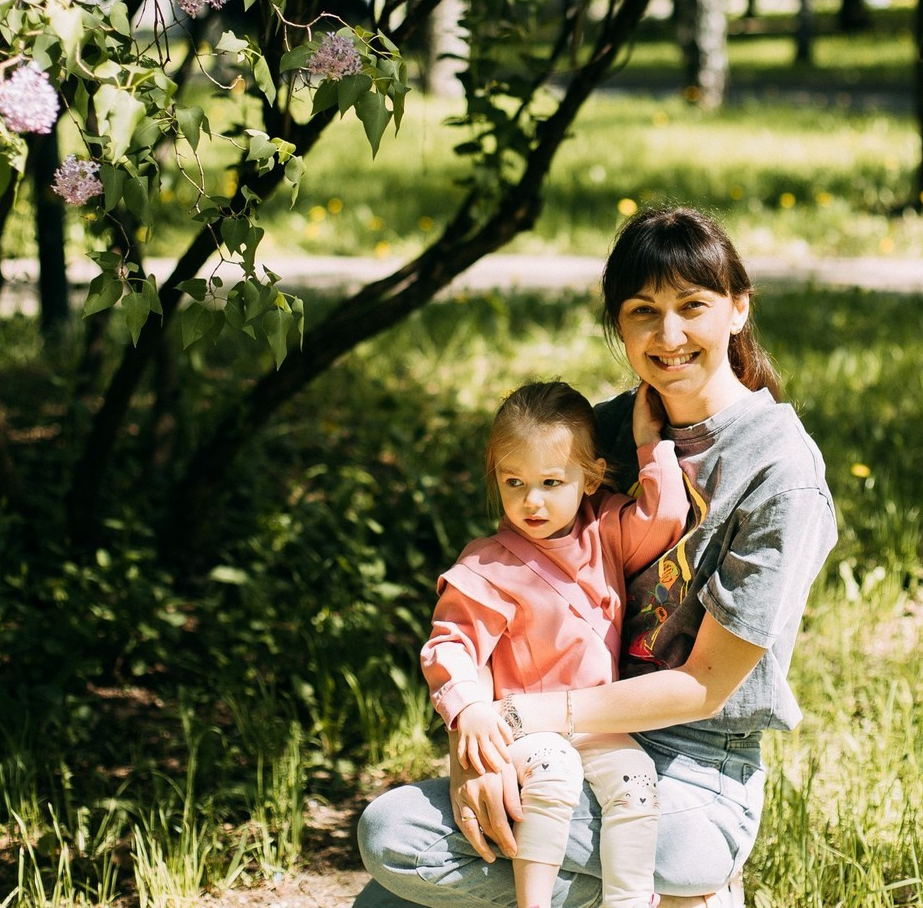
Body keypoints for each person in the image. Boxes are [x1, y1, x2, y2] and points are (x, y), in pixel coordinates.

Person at [356, 206, 837, 908]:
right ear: (618, 324)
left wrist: (519, 720)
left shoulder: (779, 472)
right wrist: (477, 753)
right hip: (568, 749)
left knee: (396, 833)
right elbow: (510, 583)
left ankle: (685, 891)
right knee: (384, 899)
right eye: (644, 311)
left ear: (737, 308)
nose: (668, 335)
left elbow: (704, 687)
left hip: (698, 775)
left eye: (692, 307)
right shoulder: (607, 433)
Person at [421, 379, 691, 908]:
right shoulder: (487, 564)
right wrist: (470, 709)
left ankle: (631, 900)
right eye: (514, 481)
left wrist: (648, 443)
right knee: (554, 773)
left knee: (637, 778)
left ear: (589, 478)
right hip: (524, 728)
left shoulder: (605, 531)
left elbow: (664, 519)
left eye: (551, 481)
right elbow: (450, 643)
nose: (532, 500)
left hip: (596, 721)